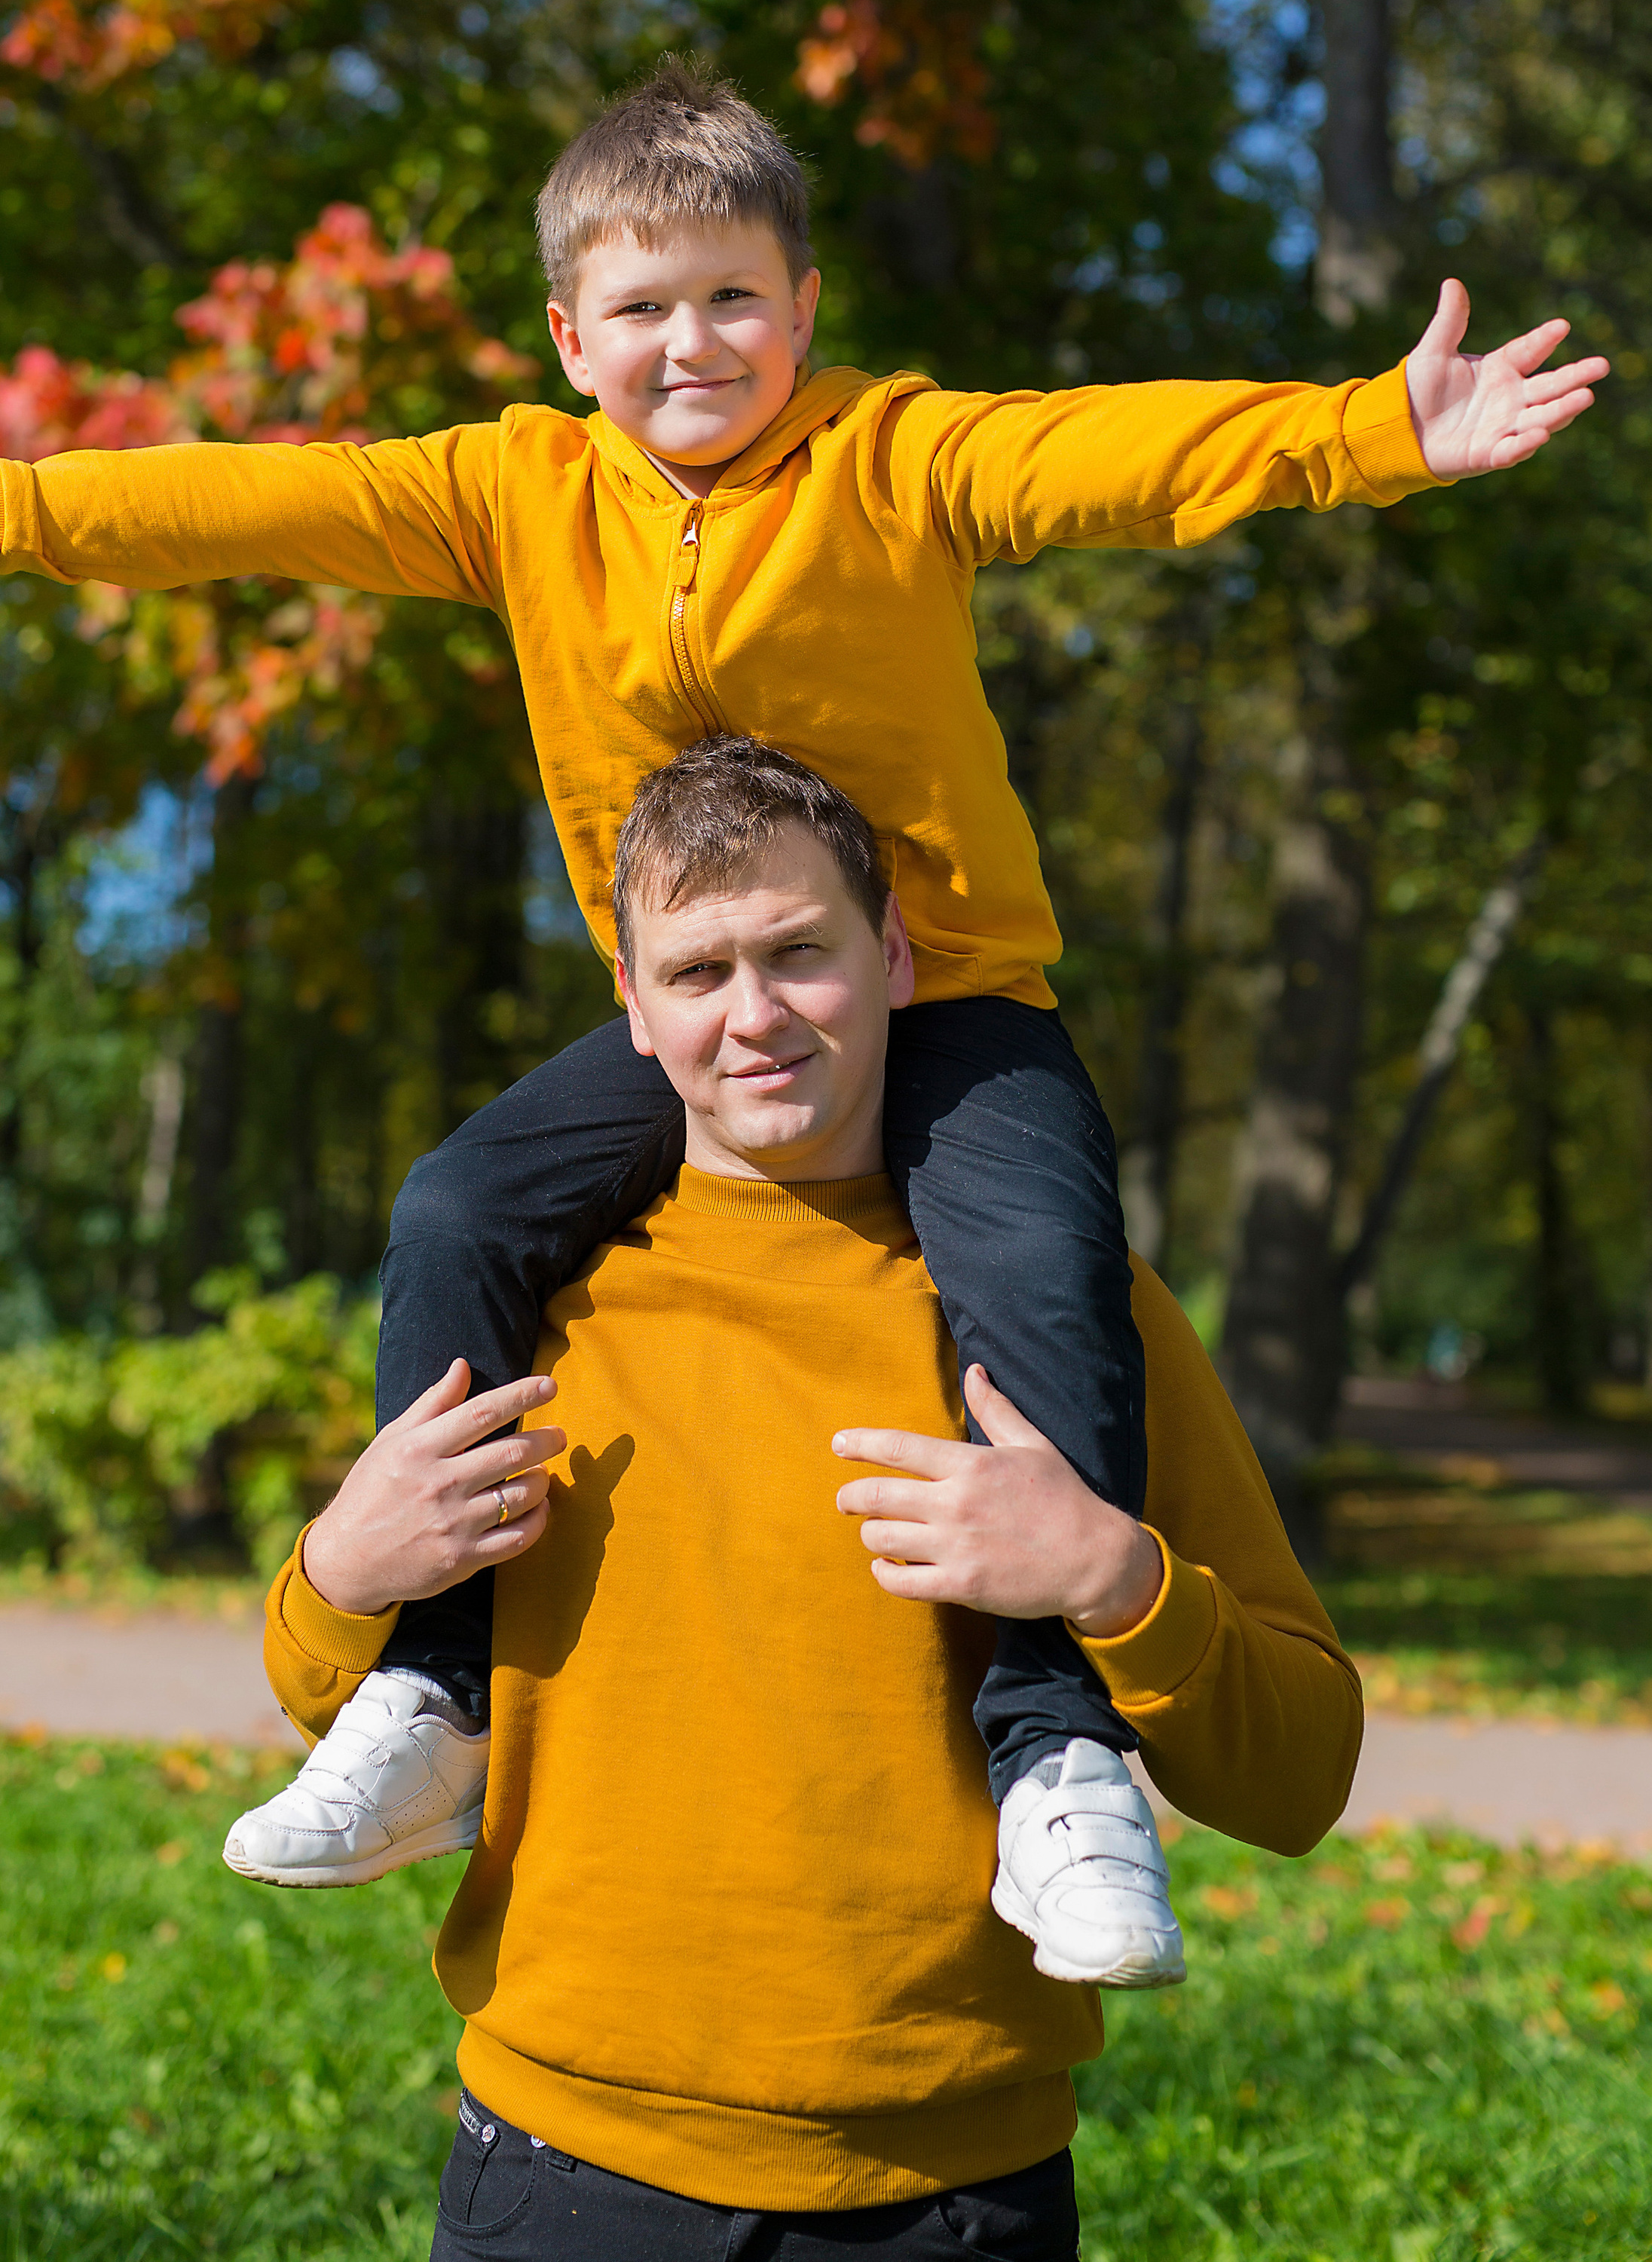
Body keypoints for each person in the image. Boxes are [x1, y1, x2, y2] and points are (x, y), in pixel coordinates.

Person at [0, 66, 1598, 1985]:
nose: (690, 344)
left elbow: (1116, 456)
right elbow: (256, 499)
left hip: (952, 999)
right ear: (569, 338)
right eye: (640, 307)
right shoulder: (516, 491)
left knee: (1042, 1268)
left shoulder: (895, 458)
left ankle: (1054, 1759)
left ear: (801, 311)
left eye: (731, 300)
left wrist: (1374, 429)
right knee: (459, 1208)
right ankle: (435, 1695)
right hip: (694, 1020)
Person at [255, 739, 1365, 2258]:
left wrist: (1115, 1580)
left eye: (798, 954)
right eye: (697, 972)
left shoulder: (1070, 1321)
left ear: (894, 957)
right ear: (631, 1007)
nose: (754, 1015)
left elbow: (1300, 1778)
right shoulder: (527, 1308)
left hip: (947, 2204)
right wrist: (339, 1568)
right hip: (554, 2176)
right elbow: (331, 1709)